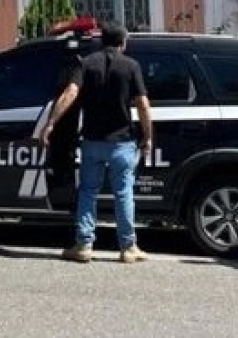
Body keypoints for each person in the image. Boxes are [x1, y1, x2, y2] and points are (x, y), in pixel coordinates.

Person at [40, 21, 153, 263]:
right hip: (123, 141)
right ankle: (128, 247)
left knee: (88, 192)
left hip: (92, 141)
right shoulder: (131, 66)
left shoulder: (86, 64)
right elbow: (143, 105)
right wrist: (148, 136)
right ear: (123, 43)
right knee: (124, 193)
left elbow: (70, 93)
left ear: (101, 41)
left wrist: (50, 124)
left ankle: (83, 244)